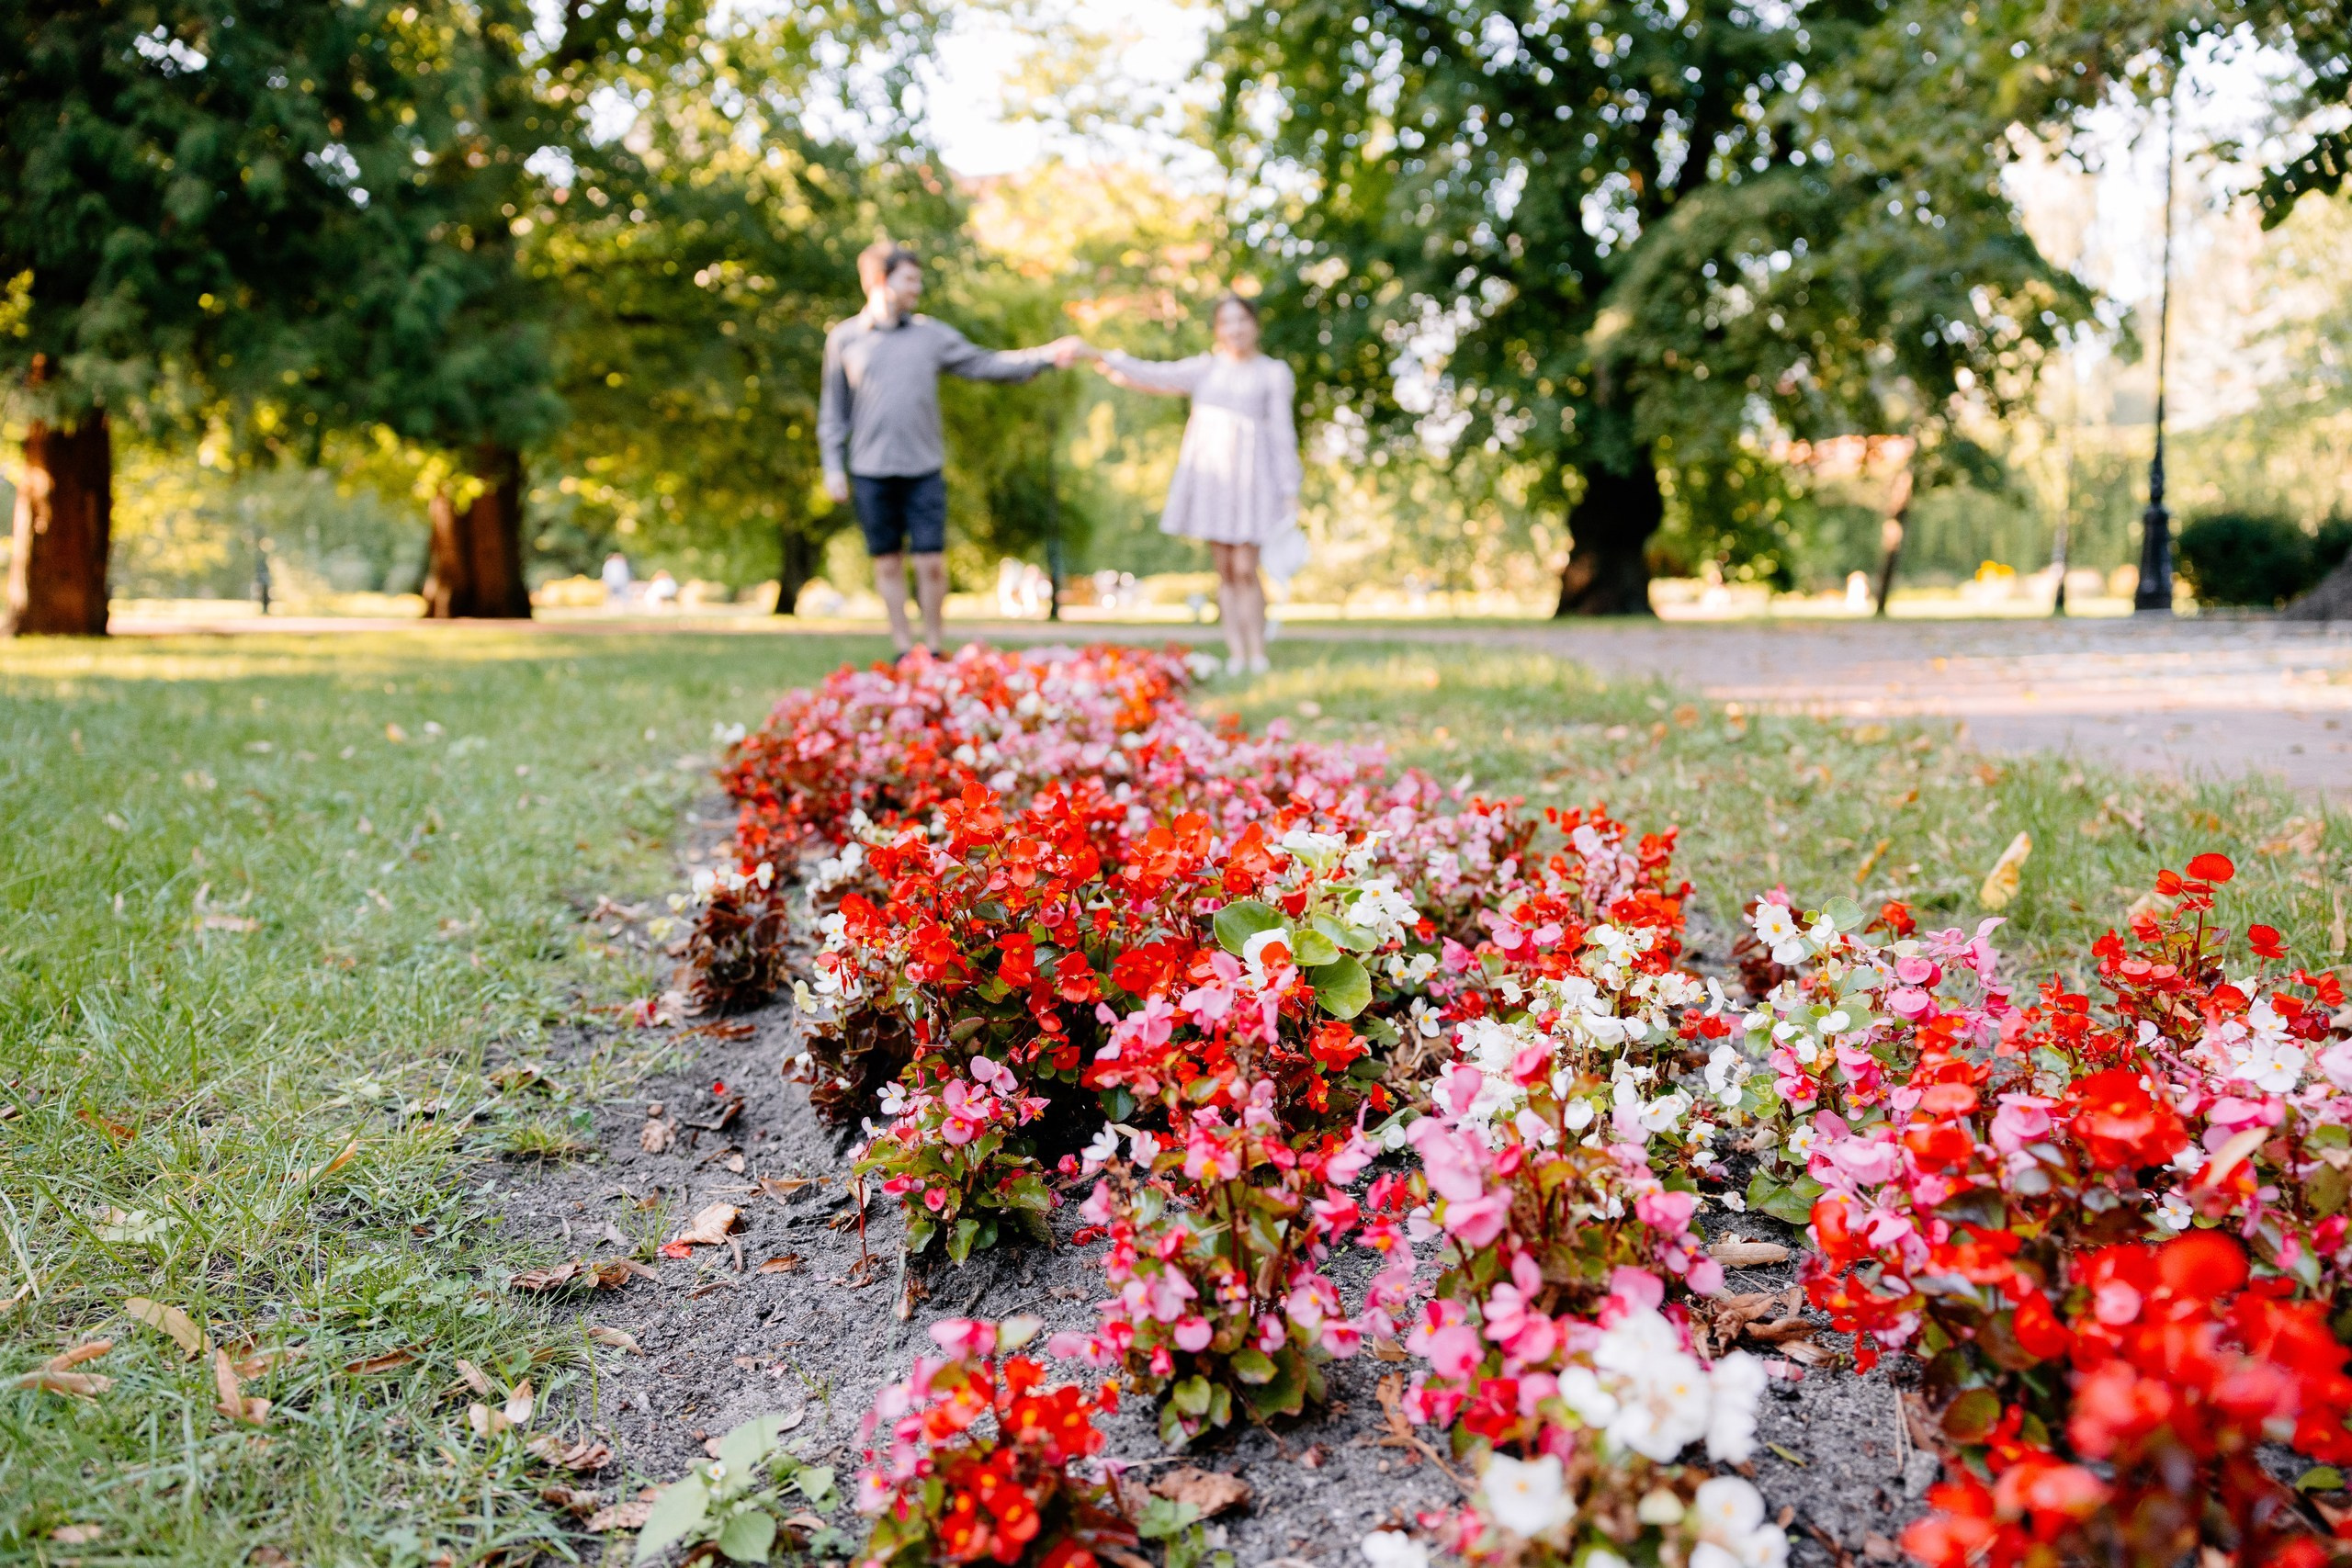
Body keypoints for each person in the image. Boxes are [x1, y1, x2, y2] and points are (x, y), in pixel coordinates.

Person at [819, 241, 1087, 655]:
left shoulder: (931, 335)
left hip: (923, 467)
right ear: (879, 280)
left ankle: (934, 647)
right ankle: (904, 648)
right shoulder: (844, 339)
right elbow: (833, 412)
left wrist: (1046, 357)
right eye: (909, 279)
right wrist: (833, 468)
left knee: (931, 562)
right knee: (887, 563)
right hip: (871, 469)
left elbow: (985, 363)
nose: (916, 289)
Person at [1078, 295, 1303, 674]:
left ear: (1254, 325)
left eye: (1242, 320)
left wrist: (1289, 488)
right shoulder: (1205, 369)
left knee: (1247, 566)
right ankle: (1236, 654)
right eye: (1226, 322)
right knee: (1226, 570)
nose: (1235, 329)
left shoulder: (1272, 372)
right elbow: (1153, 373)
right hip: (1212, 478)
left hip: (1253, 479)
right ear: (1218, 329)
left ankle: (1257, 651)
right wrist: (1100, 356)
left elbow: (1283, 432)